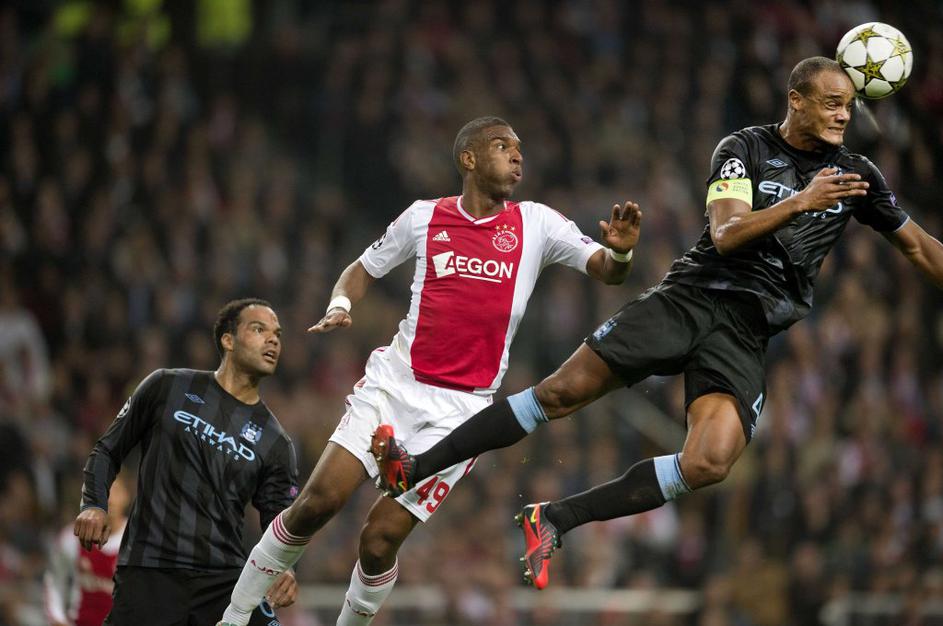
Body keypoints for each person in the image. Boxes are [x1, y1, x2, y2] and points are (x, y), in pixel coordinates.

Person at [372, 57, 943, 590]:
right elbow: (726, 233)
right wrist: (799, 202)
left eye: (849, 106)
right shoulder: (744, 147)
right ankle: (414, 466)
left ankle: (554, 519)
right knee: (559, 394)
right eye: (832, 103)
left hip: (747, 331)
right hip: (690, 299)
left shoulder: (856, 174)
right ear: (796, 100)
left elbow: (918, 246)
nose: (844, 115)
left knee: (709, 462)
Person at [217, 116, 642, 626]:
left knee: (378, 540)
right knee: (317, 502)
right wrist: (340, 303)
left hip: (461, 414)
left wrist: (621, 251)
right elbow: (362, 268)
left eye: (520, 149)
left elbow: (607, 271)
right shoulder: (423, 217)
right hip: (394, 385)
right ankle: (232, 618)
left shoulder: (538, 224)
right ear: (469, 158)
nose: (517, 156)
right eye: (503, 146)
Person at [74, 298, 300, 625]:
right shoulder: (167, 386)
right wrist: (94, 504)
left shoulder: (276, 440)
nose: (273, 340)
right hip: (151, 569)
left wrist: (285, 566)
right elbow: (108, 450)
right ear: (228, 340)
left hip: (223, 581)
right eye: (258, 329)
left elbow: (279, 520)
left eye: (277, 334)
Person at [45, 477, 131, 626]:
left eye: (115, 491)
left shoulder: (138, 541)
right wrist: (58, 619)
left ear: (126, 496)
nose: (109, 499)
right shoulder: (72, 538)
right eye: (103, 492)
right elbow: (54, 583)